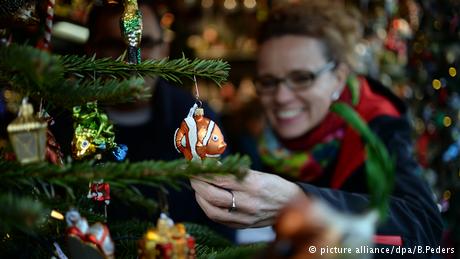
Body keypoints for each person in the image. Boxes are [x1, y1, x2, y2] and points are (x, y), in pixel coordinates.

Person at [190, 0, 442, 254]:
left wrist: (300, 201)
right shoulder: (243, 133)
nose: (281, 97)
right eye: (268, 81)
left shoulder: (376, 127)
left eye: (302, 78)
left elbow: (425, 228)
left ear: (339, 77)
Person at [53, 0, 235, 240]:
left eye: (145, 43)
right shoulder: (60, 124)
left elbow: (225, 220)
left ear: (165, 49)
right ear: (91, 51)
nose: (131, 59)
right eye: (112, 44)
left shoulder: (197, 119)